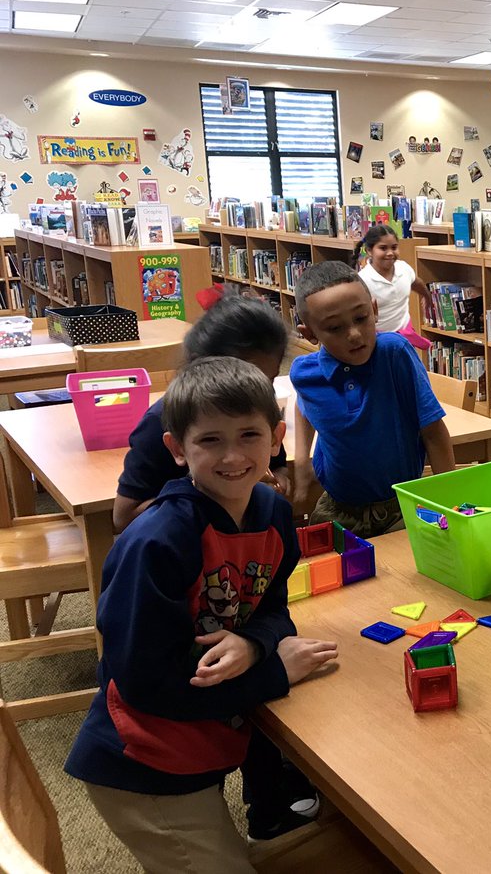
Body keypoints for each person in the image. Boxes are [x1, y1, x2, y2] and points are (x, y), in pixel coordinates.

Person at [65, 357, 339, 873]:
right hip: (144, 764)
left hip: (203, 739)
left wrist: (254, 642)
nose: (233, 456)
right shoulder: (158, 542)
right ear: (176, 449)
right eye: (209, 440)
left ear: (277, 437)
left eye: (249, 435)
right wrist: (275, 671)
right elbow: (146, 684)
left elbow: (275, 605)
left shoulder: (274, 512)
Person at [290, 261, 455, 538]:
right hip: (337, 511)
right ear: (310, 334)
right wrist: (302, 461)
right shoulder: (304, 373)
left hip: (400, 509)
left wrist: (447, 505)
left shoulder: (394, 354)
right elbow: (303, 405)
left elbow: (434, 432)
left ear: (374, 310)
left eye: (360, 318)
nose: (353, 334)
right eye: (334, 328)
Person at [114, 295, 291, 534]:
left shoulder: (261, 409)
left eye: (267, 381)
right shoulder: (159, 423)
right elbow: (124, 516)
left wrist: (279, 478)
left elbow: (278, 462)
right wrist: (212, 492)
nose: (256, 394)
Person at [354, 223, 432, 343]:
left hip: (404, 334)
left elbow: (416, 282)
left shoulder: (403, 268)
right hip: (378, 340)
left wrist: (427, 297)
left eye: (394, 247)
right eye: (383, 248)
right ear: (369, 251)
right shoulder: (363, 280)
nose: (390, 253)